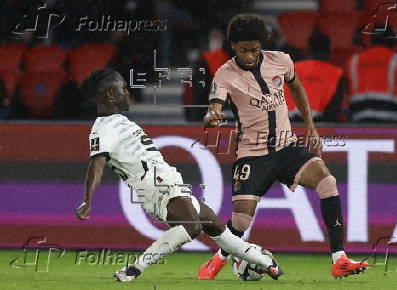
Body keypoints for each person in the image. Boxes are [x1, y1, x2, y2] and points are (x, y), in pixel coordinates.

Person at [198, 13, 368, 280]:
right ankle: (218, 260)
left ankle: (339, 259)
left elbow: (298, 88)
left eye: (254, 49)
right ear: (233, 46)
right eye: (243, 50)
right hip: (252, 154)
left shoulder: (281, 60)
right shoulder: (225, 73)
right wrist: (213, 115)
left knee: (327, 182)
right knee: (241, 222)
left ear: (262, 44)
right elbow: (215, 105)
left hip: (287, 148)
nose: (250, 55)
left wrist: (311, 126)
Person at [74, 68, 284, 282]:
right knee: (192, 227)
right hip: (153, 187)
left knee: (215, 225)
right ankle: (134, 269)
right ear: (110, 95)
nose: (128, 93)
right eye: (123, 89)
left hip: (170, 181)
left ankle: (266, 262)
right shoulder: (103, 129)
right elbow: (96, 164)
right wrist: (87, 200)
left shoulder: (120, 121)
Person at [344, 24, 397, 122]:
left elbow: (345, 92)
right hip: (392, 123)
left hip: (360, 122)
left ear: (371, 40)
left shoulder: (354, 61)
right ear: (392, 41)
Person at [286, 29, 344, 122]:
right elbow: (334, 109)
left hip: (290, 124)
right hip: (319, 125)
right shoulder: (336, 73)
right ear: (329, 50)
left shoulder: (292, 69)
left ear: (308, 49)